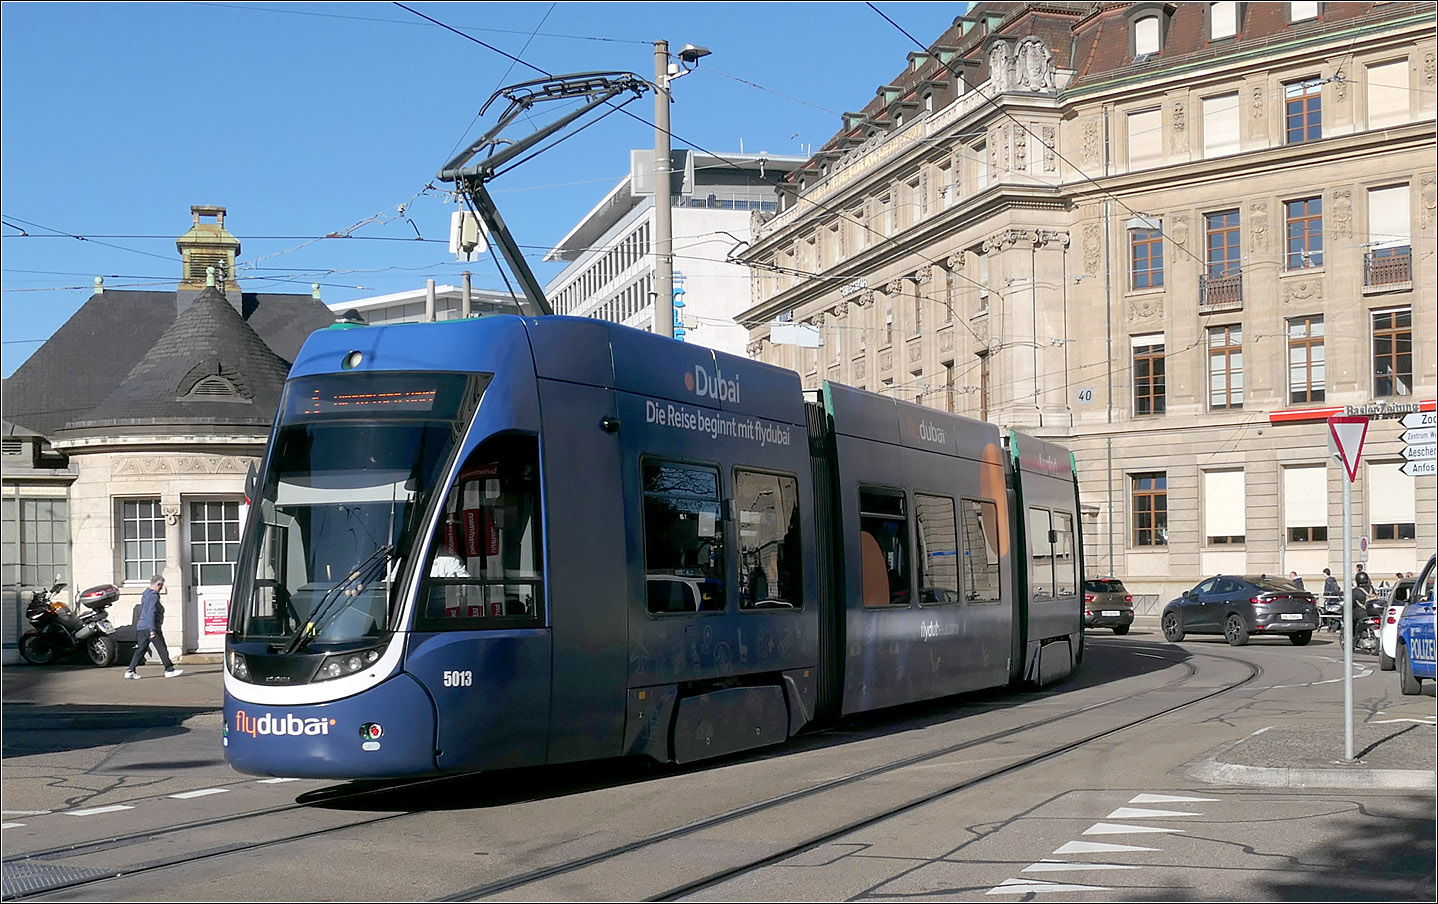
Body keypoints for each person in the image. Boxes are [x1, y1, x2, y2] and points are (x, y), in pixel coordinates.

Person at [123, 575, 182, 679]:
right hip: (151, 627)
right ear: (158, 584)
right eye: (161, 586)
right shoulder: (153, 596)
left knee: (141, 649)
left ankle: (130, 670)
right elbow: (151, 612)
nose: (161, 588)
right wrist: (152, 629)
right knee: (162, 648)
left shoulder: (145, 594)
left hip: (142, 627)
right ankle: (169, 669)